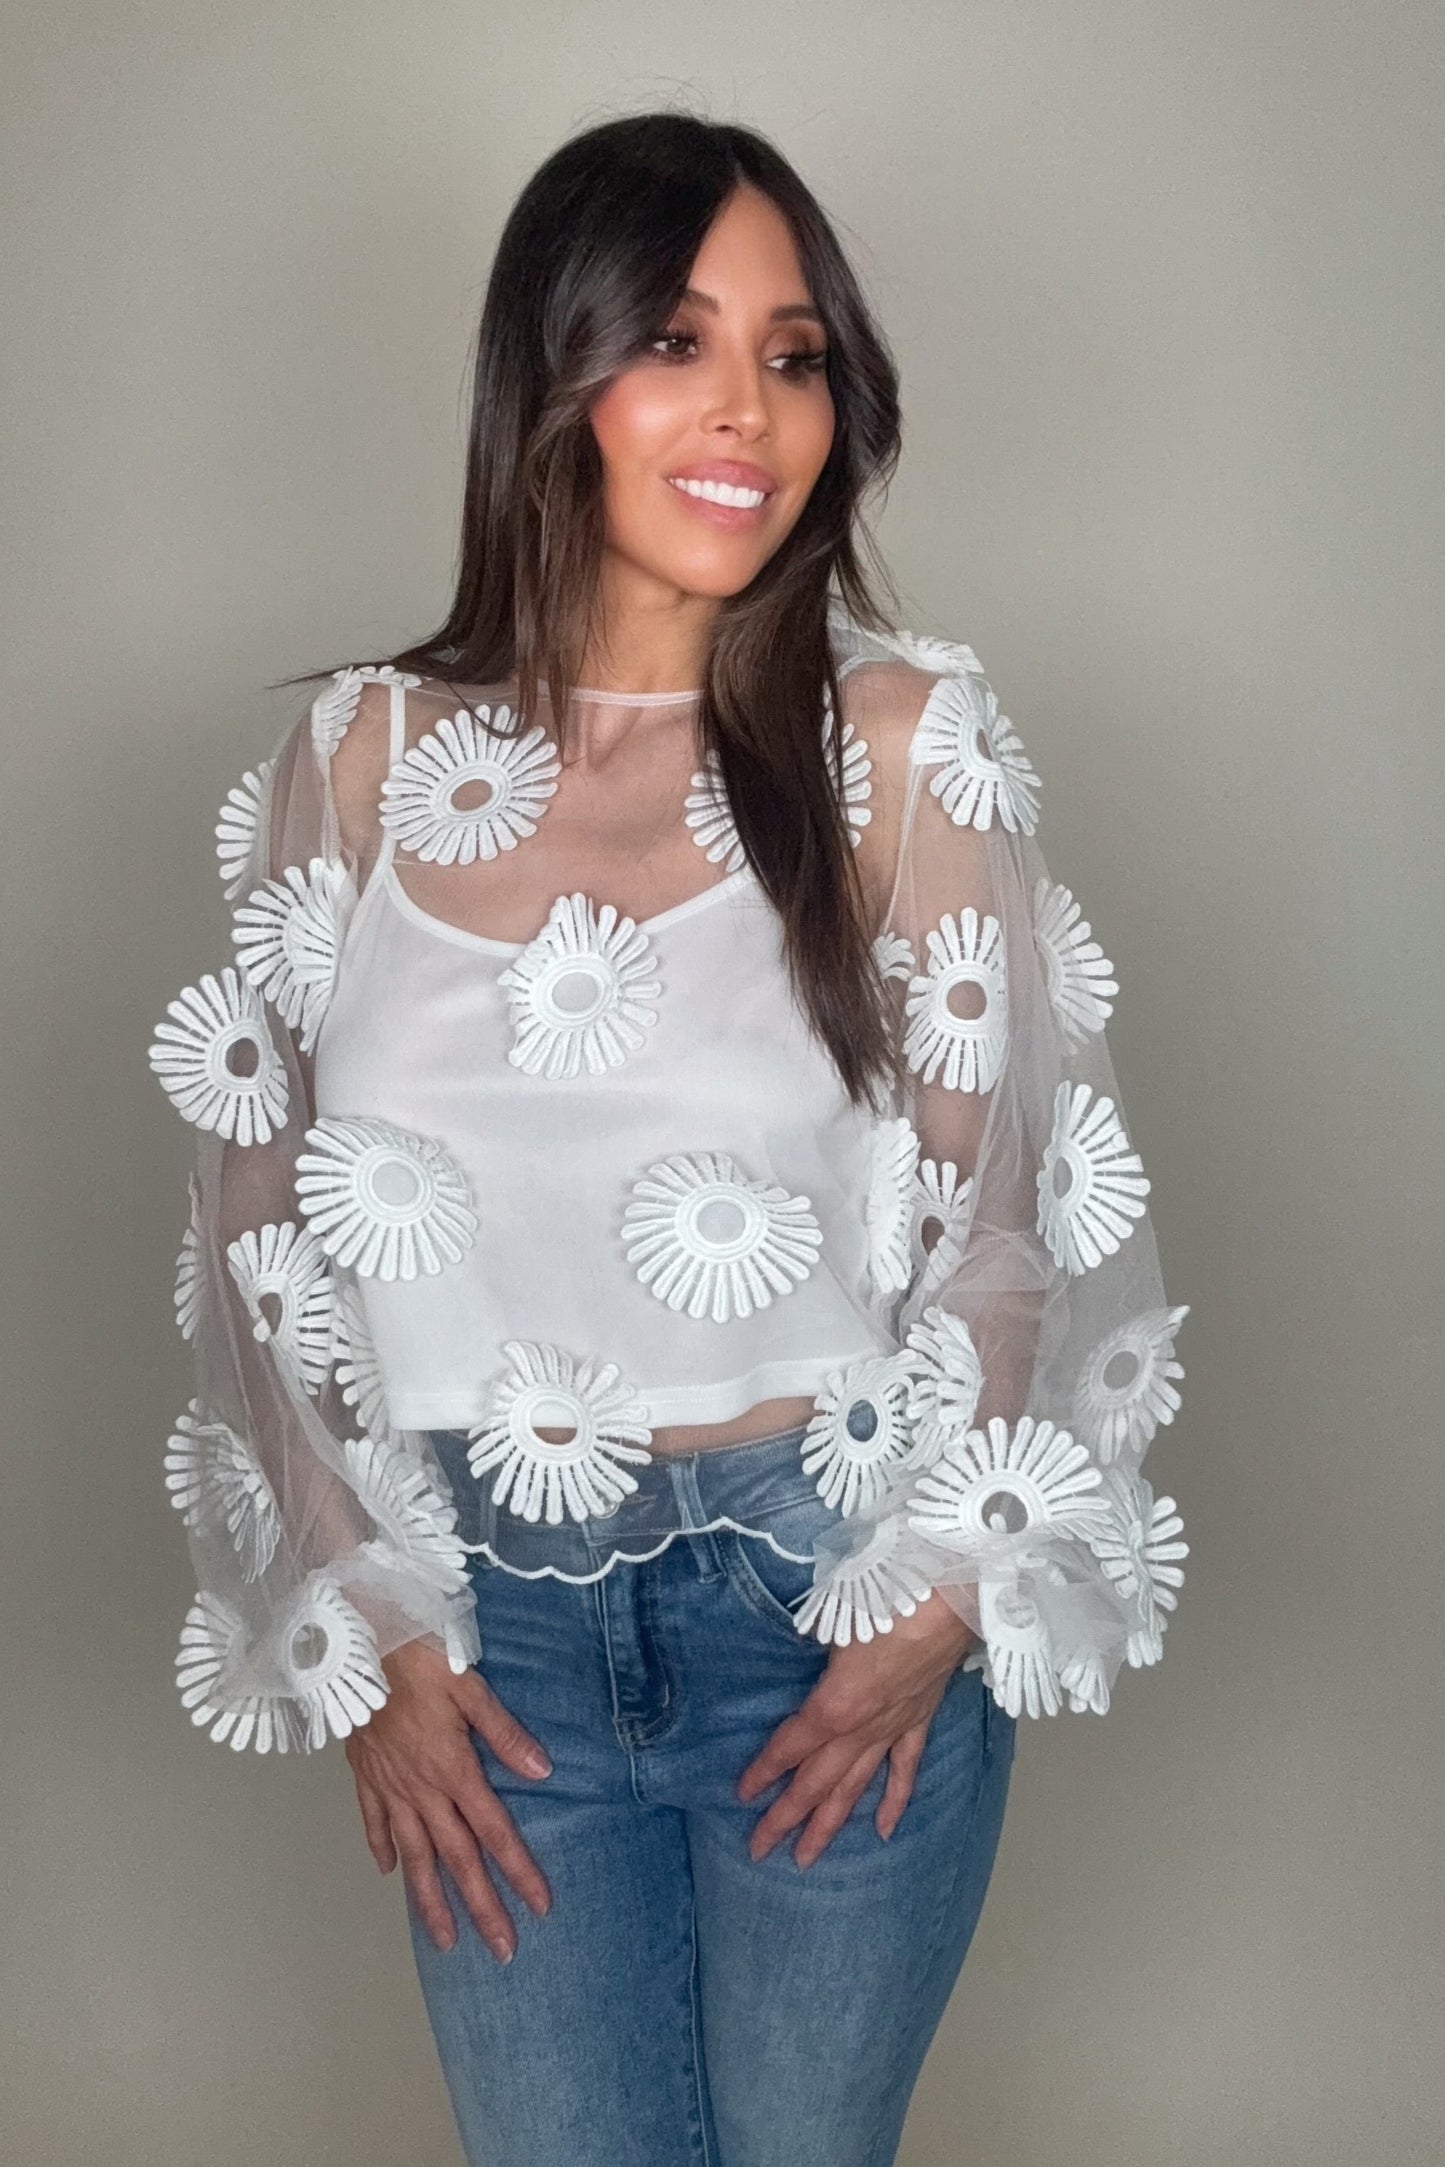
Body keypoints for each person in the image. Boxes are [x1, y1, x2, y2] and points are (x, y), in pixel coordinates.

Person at [150, 109, 1191, 2167]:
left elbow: (1003, 1217)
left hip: (819, 1606)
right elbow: (258, 1227)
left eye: (793, 358)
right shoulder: (357, 758)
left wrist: (930, 1607)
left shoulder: (899, 749)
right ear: (552, 380)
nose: (747, 413)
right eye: (676, 343)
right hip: (488, 1642)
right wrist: (364, 1615)